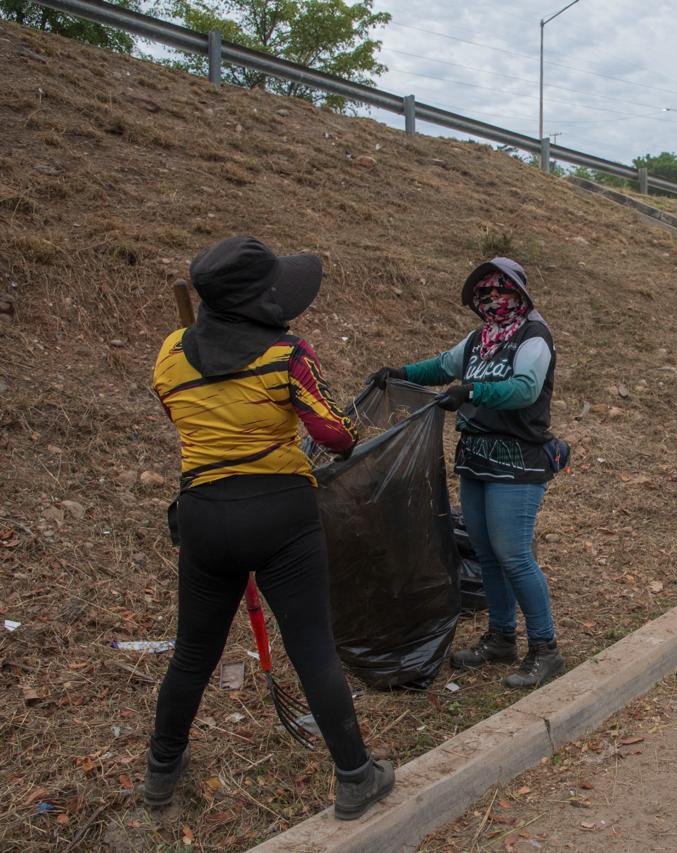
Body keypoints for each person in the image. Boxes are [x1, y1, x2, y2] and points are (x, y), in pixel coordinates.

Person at [146, 236, 393, 819]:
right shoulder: (288, 353)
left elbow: (177, 413)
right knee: (311, 648)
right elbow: (334, 434)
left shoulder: (171, 353)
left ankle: (160, 773)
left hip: (205, 514)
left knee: (192, 654)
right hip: (281, 512)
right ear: (260, 300)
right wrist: (344, 430)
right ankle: (356, 777)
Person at [368, 257, 566, 689]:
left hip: (518, 462)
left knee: (513, 554)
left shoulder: (535, 337)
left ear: (520, 294)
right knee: (485, 552)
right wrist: (400, 373)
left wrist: (473, 390)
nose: (494, 300)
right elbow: (443, 366)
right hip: (475, 457)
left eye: (502, 291)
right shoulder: (480, 339)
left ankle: (545, 647)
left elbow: (525, 389)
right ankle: (500, 638)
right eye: (486, 294)